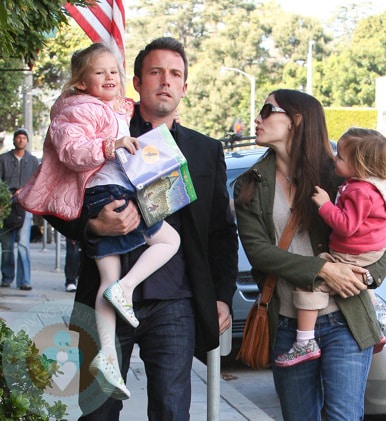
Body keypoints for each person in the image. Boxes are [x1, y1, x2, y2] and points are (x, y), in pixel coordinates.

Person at [43, 36, 238, 420]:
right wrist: (94, 225)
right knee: (97, 411)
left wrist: (222, 296)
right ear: (136, 82)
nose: (166, 80)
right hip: (105, 300)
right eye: (156, 72)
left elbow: (220, 233)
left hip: (175, 304)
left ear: (184, 86)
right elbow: (53, 200)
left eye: (175, 74)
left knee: (171, 410)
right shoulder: (101, 130)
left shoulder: (205, 149)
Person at [18, 43, 181, 400]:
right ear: (80, 82)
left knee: (109, 280)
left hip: (167, 293)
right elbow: (72, 151)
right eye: (100, 72)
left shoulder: (112, 110)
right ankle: (125, 292)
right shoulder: (77, 112)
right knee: (166, 242)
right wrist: (112, 147)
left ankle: (106, 356)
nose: (110, 77)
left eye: (113, 72)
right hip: (106, 195)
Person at [233, 89, 386, 420]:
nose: (257, 118)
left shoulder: (338, 172)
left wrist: (368, 275)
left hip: (346, 319)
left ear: (296, 120)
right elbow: (259, 253)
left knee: (343, 416)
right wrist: (322, 271)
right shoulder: (250, 184)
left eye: (267, 110)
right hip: (287, 324)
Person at [274, 127, 386, 367]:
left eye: (341, 157)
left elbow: (346, 226)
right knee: (362, 287)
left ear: (360, 164)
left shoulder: (359, 191)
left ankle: (304, 342)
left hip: (353, 252)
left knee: (312, 284)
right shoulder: (376, 187)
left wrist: (324, 205)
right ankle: (374, 329)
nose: (334, 159)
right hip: (371, 250)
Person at [0, 128, 39, 290]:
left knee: (23, 245)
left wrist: (24, 192)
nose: (21, 140)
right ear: (14, 140)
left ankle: (25, 280)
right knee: (7, 245)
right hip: (7, 205)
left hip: (25, 206)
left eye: (24, 138)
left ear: (27, 141)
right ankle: (7, 277)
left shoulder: (33, 161)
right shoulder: (3, 159)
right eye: (18, 138)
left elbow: (37, 183)